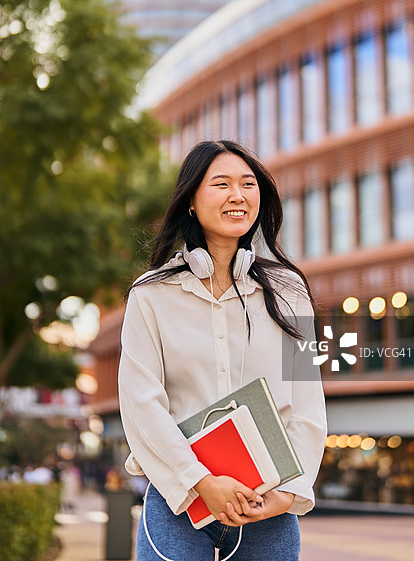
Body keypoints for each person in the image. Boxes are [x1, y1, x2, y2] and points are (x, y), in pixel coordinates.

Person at [118, 139, 327, 561]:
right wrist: (200, 481)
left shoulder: (290, 293)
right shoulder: (151, 295)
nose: (238, 195)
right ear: (191, 200)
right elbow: (141, 404)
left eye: (249, 184)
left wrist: (289, 491)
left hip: (267, 503)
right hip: (179, 499)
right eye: (221, 184)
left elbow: (308, 400)